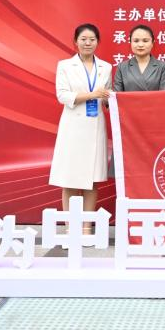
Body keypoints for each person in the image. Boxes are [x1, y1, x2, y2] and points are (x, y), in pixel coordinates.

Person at [49, 23, 112, 226]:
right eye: (83, 39)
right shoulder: (65, 66)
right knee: (70, 179)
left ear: (97, 42)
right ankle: (70, 227)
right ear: (75, 42)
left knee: (92, 180)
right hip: (73, 128)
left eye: (92, 40)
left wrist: (110, 100)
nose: (87, 43)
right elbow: (62, 95)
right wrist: (92, 94)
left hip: (95, 127)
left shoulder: (106, 67)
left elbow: (107, 97)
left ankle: (85, 227)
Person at [113, 24, 165, 92]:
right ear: (130, 43)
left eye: (145, 41)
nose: (140, 45)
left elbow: (163, 95)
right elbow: (117, 95)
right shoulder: (122, 67)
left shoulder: (162, 66)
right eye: (136, 41)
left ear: (152, 43)